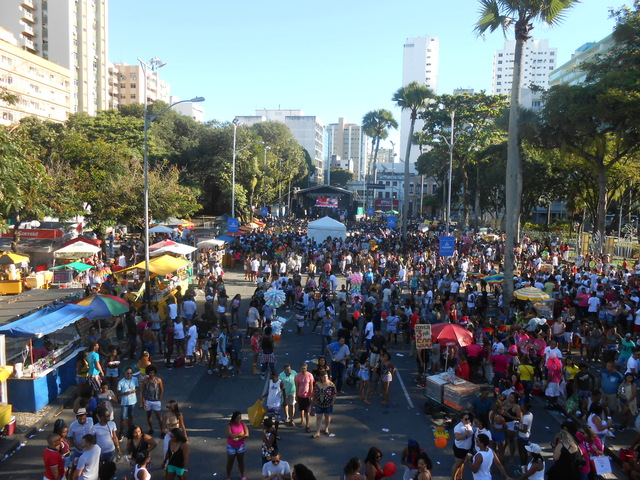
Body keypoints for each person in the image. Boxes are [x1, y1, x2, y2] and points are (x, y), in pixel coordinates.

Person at [311, 371, 337, 438]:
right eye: (323, 377)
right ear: (321, 377)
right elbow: (315, 391)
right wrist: (312, 397)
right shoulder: (317, 383)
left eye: (326, 376)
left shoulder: (331, 384)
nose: (325, 378)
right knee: (319, 417)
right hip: (319, 404)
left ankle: (326, 428)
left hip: (328, 404)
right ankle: (317, 432)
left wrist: (333, 401)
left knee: (327, 417)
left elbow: (334, 393)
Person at [141, 365, 164, 436]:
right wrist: (143, 402)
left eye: (153, 373)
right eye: (150, 373)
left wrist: (160, 398)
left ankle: (162, 431)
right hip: (148, 400)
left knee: (159, 416)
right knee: (149, 415)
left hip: (156, 401)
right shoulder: (145, 382)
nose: (152, 374)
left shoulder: (158, 380)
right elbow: (142, 392)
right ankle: (151, 429)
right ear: (148, 373)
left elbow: (162, 389)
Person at [226, 411, 249, 480]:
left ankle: (242, 475)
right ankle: (228, 477)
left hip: (241, 446)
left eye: (240, 418)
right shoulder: (230, 425)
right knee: (230, 462)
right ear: (234, 419)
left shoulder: (243, 424)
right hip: (231, 446)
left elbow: (247, 434)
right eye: (238, 418)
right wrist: (240, 434)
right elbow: (229, 435)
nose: (239, 420)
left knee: (241, 461)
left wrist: (238, 439)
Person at [117, 367, 139, 440]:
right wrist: (124, 393)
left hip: (132, 401)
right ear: (125, 373)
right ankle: (121, 432)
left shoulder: (135, 379)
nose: (129, 375)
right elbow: (118, 393)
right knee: (123, 418)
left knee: (130, 417)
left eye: (131, 373)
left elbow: (137, 387)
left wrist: (134, 390)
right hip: (125, 402)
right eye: (128, 373)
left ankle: (130, 431)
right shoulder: (121, 382)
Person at [452, 413, 474, 480]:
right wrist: (466, 433)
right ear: (461, 419)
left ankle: (459, 477)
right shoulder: (458, 427)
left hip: (466, 448)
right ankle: (453, 478)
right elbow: (457, 437)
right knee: (458, 464)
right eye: (466, 419)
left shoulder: (469, 425)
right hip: (460, 449)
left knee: (462, 463)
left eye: (469, 418)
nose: (468, 420)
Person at [295, 362, 314, 433]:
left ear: (307, 368)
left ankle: (307, 425)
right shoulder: (298, 376)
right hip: (300, 395)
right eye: (302, 368)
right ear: (300, 368)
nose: (303, 370)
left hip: (307, 396)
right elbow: (297, 386)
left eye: (305, 368)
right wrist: (296, 395)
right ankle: (302, 420)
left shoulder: (310, 375)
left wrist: (311, 395)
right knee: (301, 409)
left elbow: (311, 386)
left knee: (308, 411)